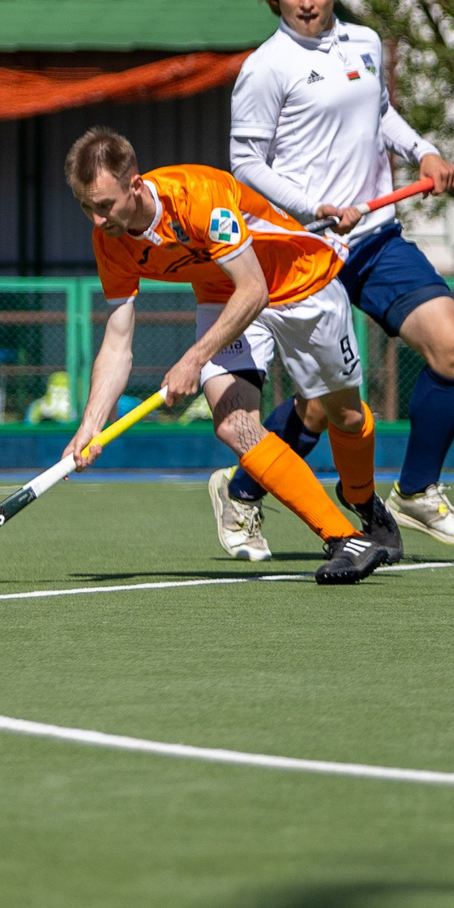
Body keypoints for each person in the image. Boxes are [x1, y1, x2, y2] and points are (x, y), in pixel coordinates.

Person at [214, 0, 454, 557]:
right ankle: (242, 492)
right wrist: (314, 207)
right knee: (321, 411)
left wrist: (425, 151)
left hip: (371, 238)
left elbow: (379, 112)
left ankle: (417, 492)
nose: (308, 2)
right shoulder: (265, 69)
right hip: (302, 249)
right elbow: (245, 164)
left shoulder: (363, 42)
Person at [61, 127, 397, 584]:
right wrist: (91, 424)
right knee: (232, 423)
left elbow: (255, 289)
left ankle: (363, 501)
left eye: (104, 206)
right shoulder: (110, 242)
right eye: (86, 207)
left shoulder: (198, 196)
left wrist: (194, 359)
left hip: (299, 283)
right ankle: (343, 538)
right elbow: (118, 341)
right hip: (223, 296)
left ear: (135, 185)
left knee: (347, 417)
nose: (97, 220)